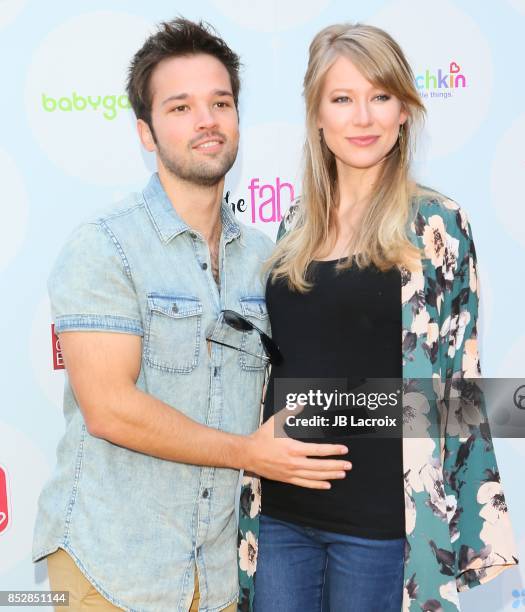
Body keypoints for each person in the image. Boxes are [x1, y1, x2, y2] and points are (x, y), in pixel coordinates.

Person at [31, 18, 352, 612]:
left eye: (220, 103)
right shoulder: (105, 245)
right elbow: (109, 409)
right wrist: (248, 453)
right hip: (111, 569)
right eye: (180, 107)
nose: (207, 120)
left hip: (221, 574)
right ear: (146, 133)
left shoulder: (269, 258)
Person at [237, 22, 520, 612]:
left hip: (379, 526)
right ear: (317, 116)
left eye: (381, 97)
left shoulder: (437, 224)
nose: (363, 117)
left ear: (404, 112)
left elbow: (458, 386)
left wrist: (468, 523)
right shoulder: (294, 226)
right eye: (342, 98)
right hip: (282, 517)